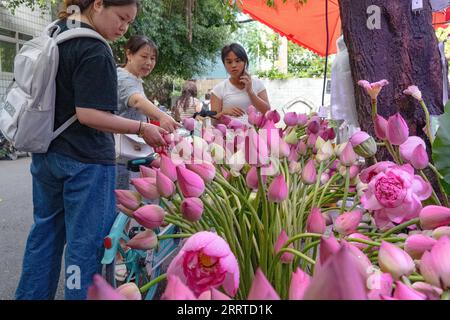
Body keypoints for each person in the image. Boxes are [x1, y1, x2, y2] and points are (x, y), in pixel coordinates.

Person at [15, 0, 166, 300]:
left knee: (44, 235)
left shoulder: (57, 32)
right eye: (121, 17)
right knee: (85, 247)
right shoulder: (94, 49)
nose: (123, 28)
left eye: (129, 23)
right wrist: (141, 128)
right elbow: (89, 114)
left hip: (47, 153)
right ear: (98, 4)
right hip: (85, 162)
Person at [116, 35, 179, 189]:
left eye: (152, 58)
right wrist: (162, 116)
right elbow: (137, 101)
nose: (149, 62)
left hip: (129, 153)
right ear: (129, 54)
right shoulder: (124, 78)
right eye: (144, 56)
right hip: (121, 156)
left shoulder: (134, 78)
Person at [211, 43, 270, 124]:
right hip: (229, 135)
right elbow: (213, 122)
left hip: (256, 135)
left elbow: (268, 112)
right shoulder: (218, 90)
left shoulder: (258, 84)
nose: (234, 65)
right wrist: (223, 113)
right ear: (224, 64)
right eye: (229, 62)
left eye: (238, 61)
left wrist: (250, 91)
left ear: (245, 62)